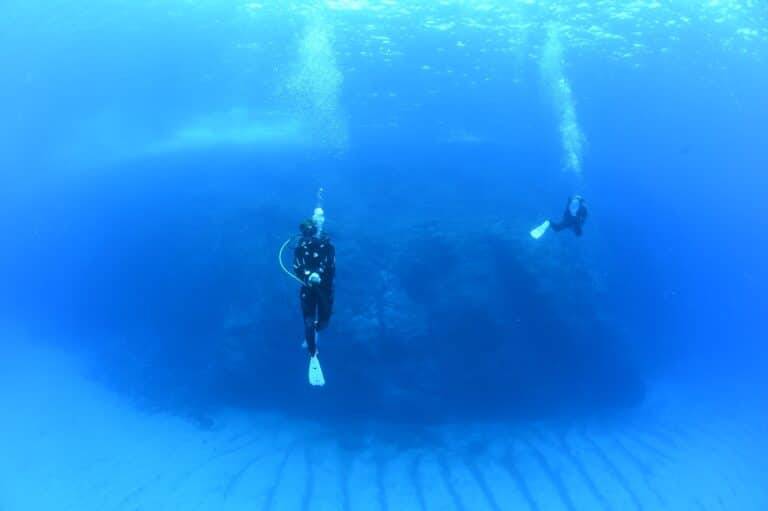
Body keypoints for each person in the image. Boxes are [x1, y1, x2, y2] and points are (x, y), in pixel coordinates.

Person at [293, 215, 335, 358]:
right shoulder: (300, 248)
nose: (309, 236)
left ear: (316, 230)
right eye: (306, 232)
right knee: (308, 322)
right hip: (308, 288)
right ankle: (312, 351)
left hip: (325, 288)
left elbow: (330, 265)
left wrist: (319, 273)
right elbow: (296, 267)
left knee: (324, 321)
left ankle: (317, 328)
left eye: (311, 231)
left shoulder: (327, 245)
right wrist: (308, 277)